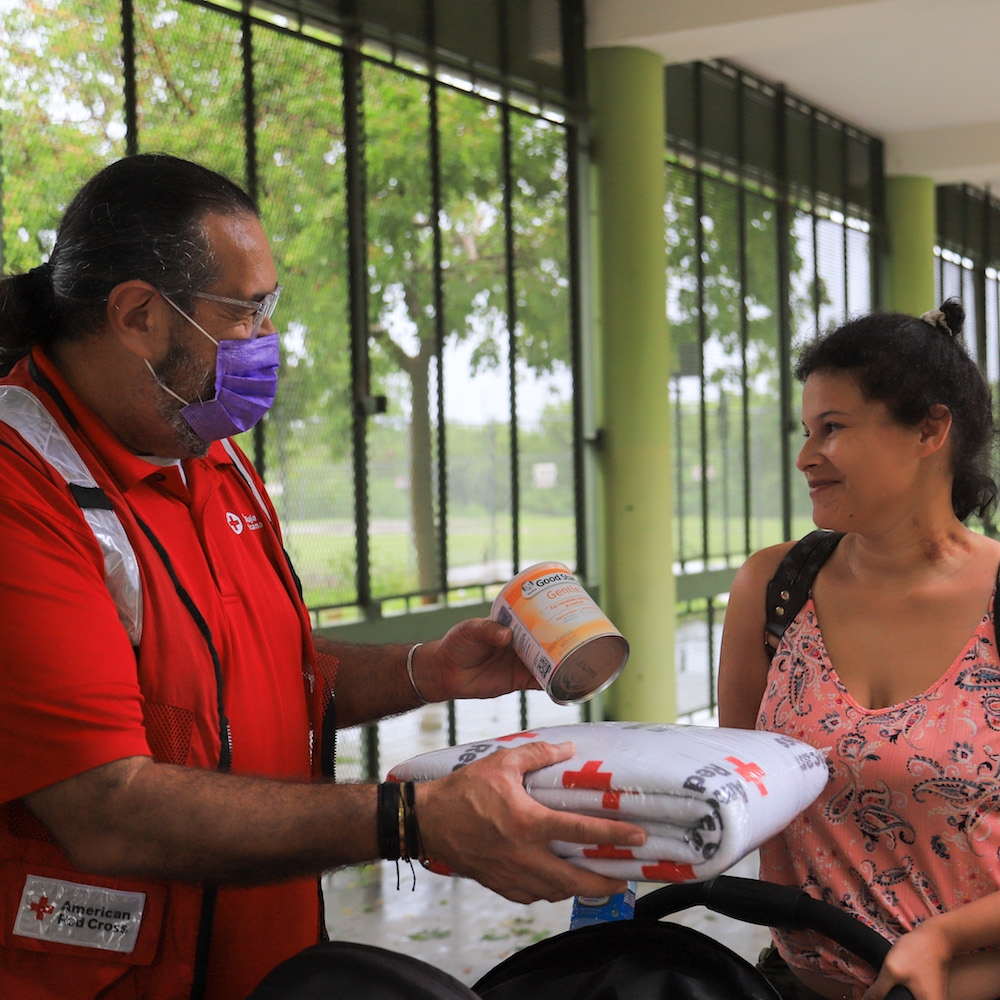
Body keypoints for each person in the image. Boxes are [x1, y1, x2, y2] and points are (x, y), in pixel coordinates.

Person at [0, 153, 646, 1000]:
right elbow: (107, 808)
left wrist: (427, 670)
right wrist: (409, 818)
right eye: (247, 310)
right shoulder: (24, 488)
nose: (268, 339)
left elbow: (265, 672)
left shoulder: (211, 457)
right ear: (137, 314)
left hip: (275, 966)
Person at [719, 298, 1000, 1000]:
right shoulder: (776, 589)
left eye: (833, 429)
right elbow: (735, 797)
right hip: (798, 988)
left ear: (931, 428)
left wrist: (939, 940)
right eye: (807, 430)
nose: (805, 456)